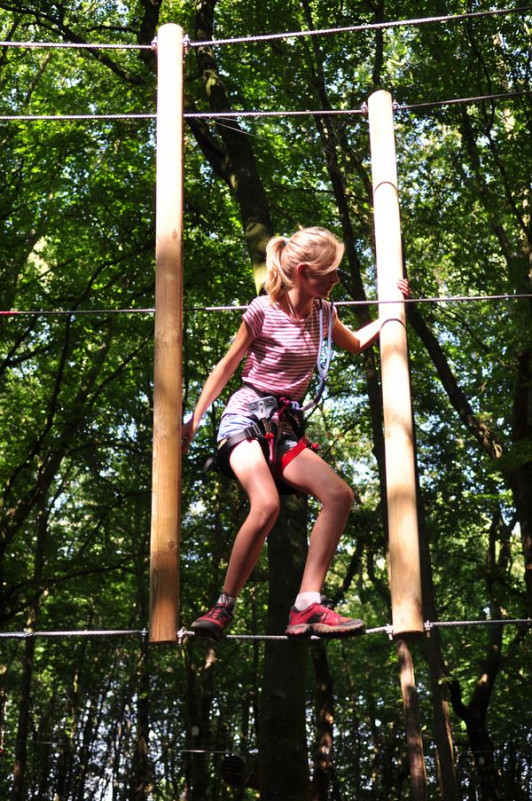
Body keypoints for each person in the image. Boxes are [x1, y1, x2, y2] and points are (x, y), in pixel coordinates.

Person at [181, 226, 410, 640]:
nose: (337, 279)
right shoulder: (262, 310)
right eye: (331, 272)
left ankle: (307, 604)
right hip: (246, 417)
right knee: (265, 505)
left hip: (283, 427)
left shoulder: (324, 313)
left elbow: (356, 343)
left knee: (339, 496)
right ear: (304, 272)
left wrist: (392, 308)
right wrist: (194, 420)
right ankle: (222, 607)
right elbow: (226, 367)